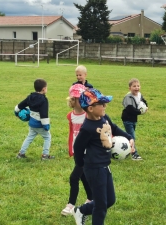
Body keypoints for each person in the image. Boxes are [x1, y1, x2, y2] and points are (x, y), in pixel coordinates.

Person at [72, 88, 135, 225]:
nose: (105, 106)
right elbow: (77, 147)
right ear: (90, 108)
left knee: (110, 200)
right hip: (94, 169)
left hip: (105, 166)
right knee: (100, 207)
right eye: (102, 104)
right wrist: (81, 164)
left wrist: (129, 137)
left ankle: (81, 210)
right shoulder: (87, 128)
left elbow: (114, 128)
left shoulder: (104, 117)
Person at [61, 84, 93, 216]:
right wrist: (71, 148)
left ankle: (71, 205)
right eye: (74, 99)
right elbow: (71, 133)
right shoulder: (71, 116)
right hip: (77, 152)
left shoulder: (88, 115)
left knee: (74, 177)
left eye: (80, 99)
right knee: (84, 176)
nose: (77, 102)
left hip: (87, 152)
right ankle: (91, 198)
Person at [14, 78, 54, 160]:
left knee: (29, 137)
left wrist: (16, 111)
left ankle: (21, 153)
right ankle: (45, 155)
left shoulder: (30, 97)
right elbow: (44, 114)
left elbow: (21, 105)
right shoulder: (44, 100)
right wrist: (46, 125)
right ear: (44, 89)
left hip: (32, 123)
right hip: (40, 124)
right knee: (47, 137)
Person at [121, 78, 148, 160]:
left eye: (138, 86)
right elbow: (130, 109)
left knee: (129, 135)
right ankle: (134, 154)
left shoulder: (139, 95)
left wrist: (146, 107)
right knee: (132, 136)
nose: (136, 88)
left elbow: (143, 101)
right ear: (130, 88)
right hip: (127, 119)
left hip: (134, 119)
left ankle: (123, 144)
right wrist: (139, 112)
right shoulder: (128, 97)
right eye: (134, 86)